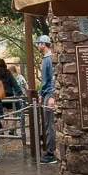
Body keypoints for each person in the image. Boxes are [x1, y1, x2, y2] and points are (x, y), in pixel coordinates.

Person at [37, 35, 57, 164]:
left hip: (48, 95)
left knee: (49, 124)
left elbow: (49, 80)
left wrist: (46, 95)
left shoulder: (48, 59)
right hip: (48, 94)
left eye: (38, 43)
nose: (37, 45)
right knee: (49, 124)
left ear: (43, 44)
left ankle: (51, 153)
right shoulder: (49, 58)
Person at [0, 58, 23, 135]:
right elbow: (14, 84)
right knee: (12, 112)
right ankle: (11, 129)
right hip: (9, 95)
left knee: (0, 113)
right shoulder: (8, 73)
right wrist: (19, 93)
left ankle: (1, 130)